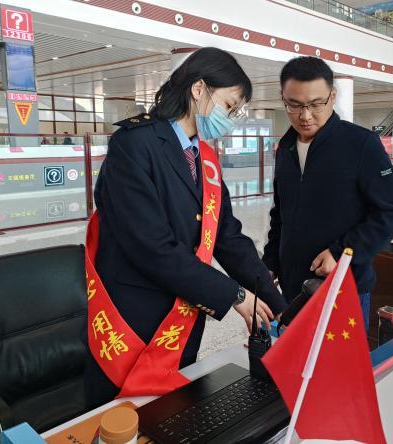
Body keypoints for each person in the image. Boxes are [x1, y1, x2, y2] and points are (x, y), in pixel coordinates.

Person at [85, 47, 287, 408]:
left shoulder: (204, 158)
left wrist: (277, 304)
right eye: (229, 106)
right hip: (133, 321)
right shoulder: (134, 144)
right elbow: (152, 247)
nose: (229, 120)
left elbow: (228, 237)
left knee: (172, 414)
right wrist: (235, 295)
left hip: (183, 318)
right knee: (119, 419)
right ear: (198, 89)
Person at [262, 56, 393, 330]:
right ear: (283, 98)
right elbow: (281, 215)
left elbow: (392, 210)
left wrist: (341, 253)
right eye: (295, 105)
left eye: (316, 104)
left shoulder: (361, 144)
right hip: (293, 287)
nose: (305, 116)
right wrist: (270, 262)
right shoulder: (285, 149)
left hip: (343, 286)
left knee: (338, 359)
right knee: (295, 354)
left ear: (332, 96)